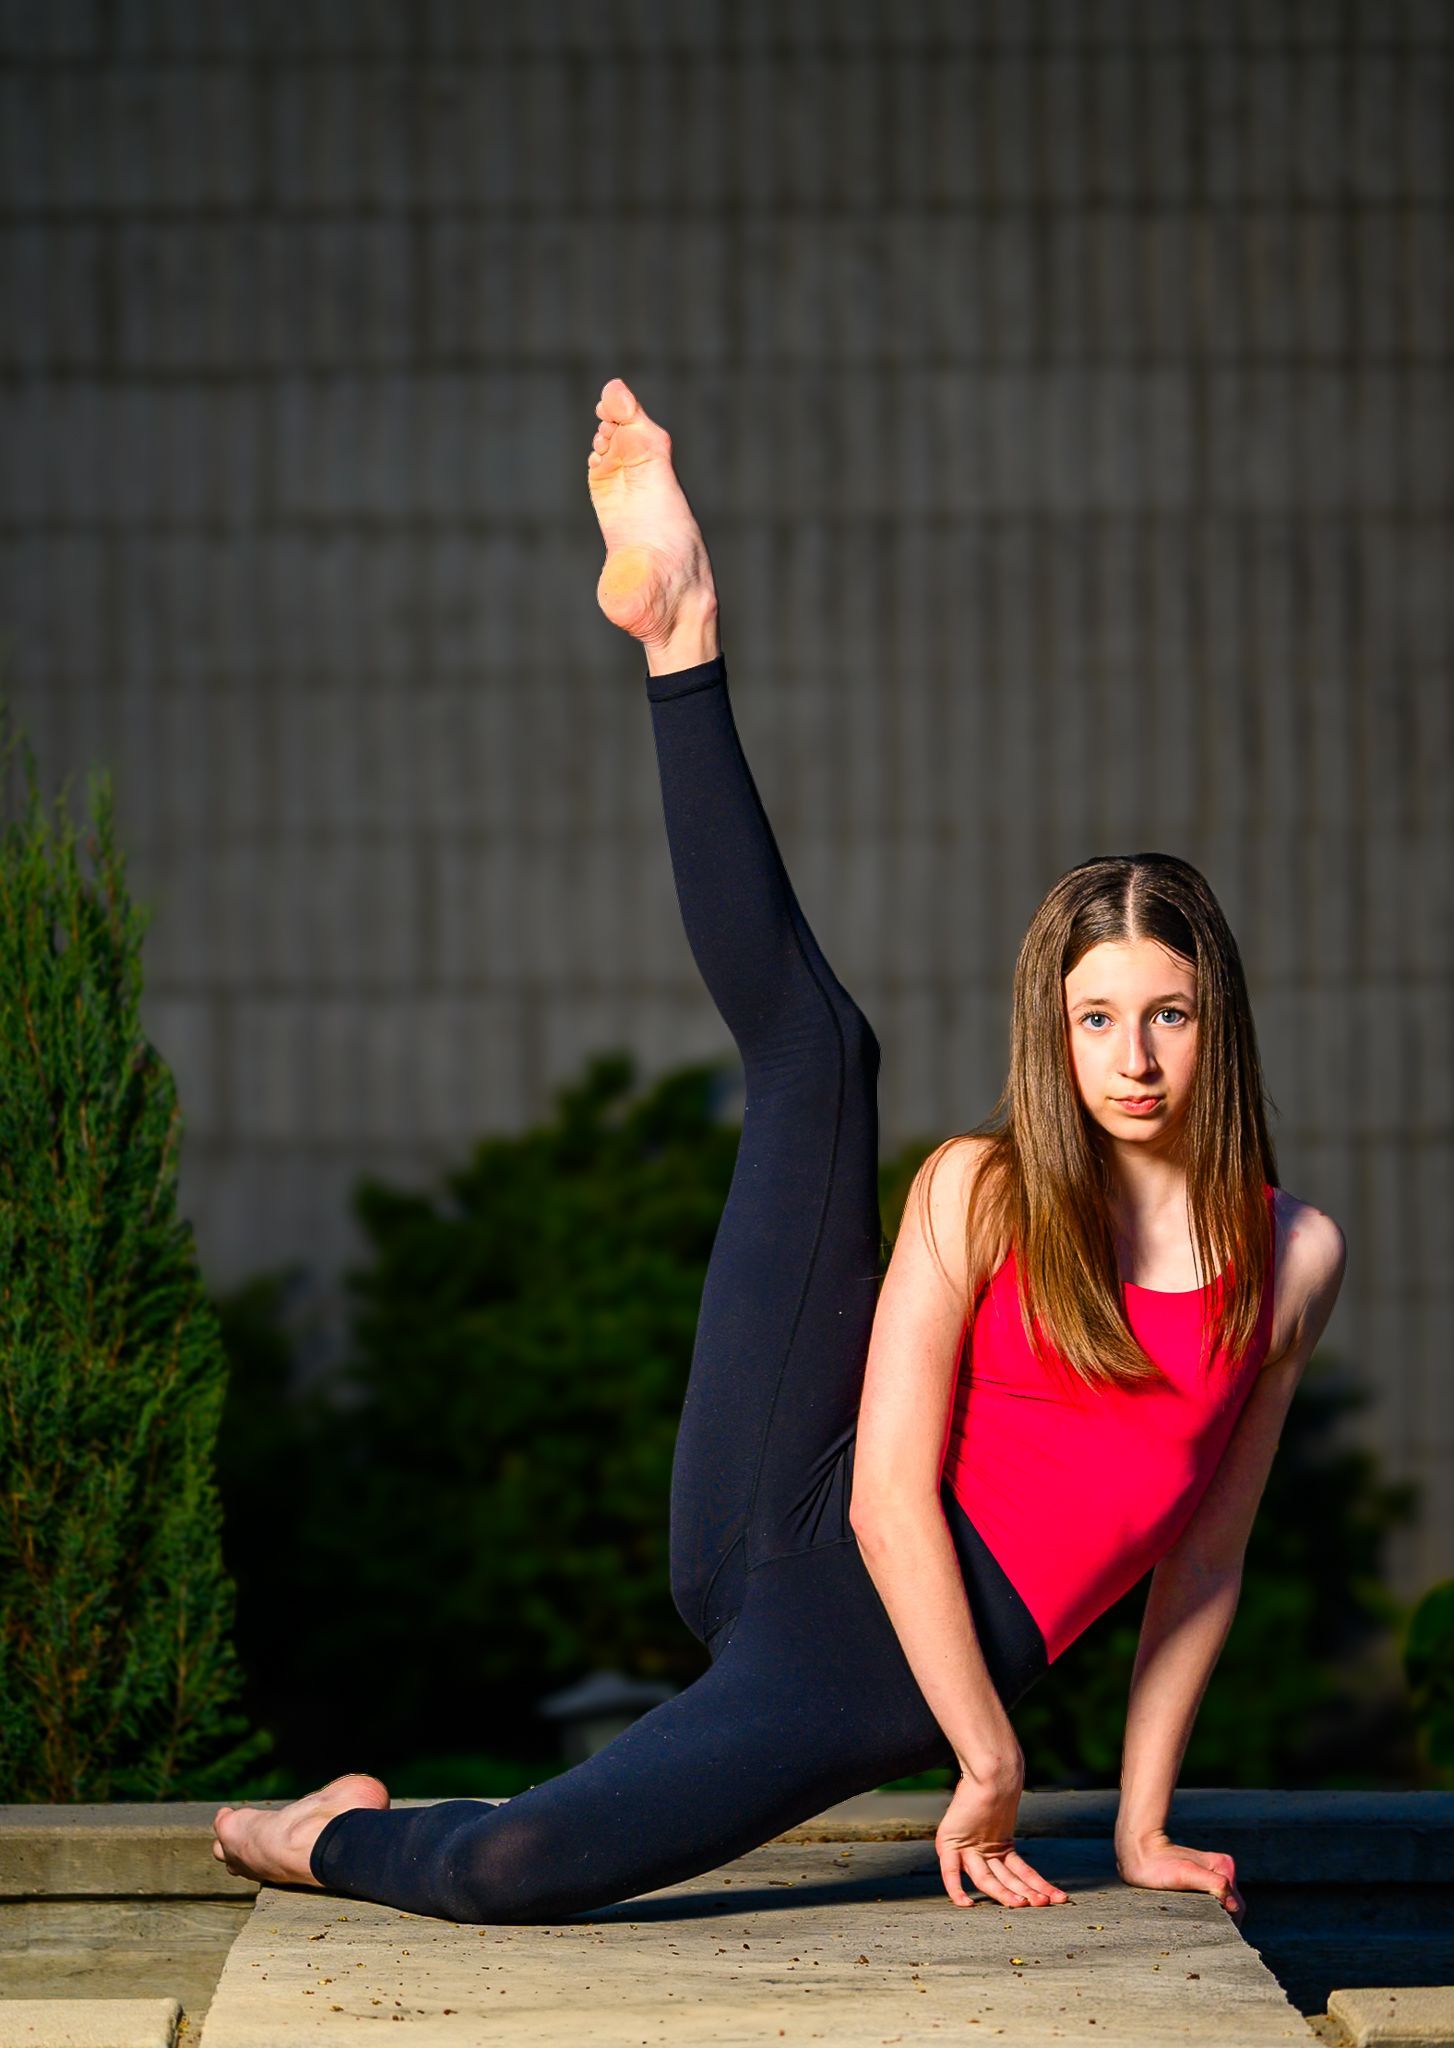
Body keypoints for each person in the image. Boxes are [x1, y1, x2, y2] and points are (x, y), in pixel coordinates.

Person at [211, 377, 1347, 1927]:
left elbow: (1203, 1563)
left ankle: (322, 1827)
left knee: (511, 1867)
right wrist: (991, 1752)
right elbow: (890, 1497)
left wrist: (1142, 1826)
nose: (1132, 1061)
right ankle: (680, 630)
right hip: (806, 1527)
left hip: (864, 1670)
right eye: (1093, 1021)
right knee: (821, 1056)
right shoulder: (987, 1192)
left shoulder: (1291, 1261)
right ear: (1054, 1031)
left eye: (1167, 1015)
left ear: (1218, 1026)